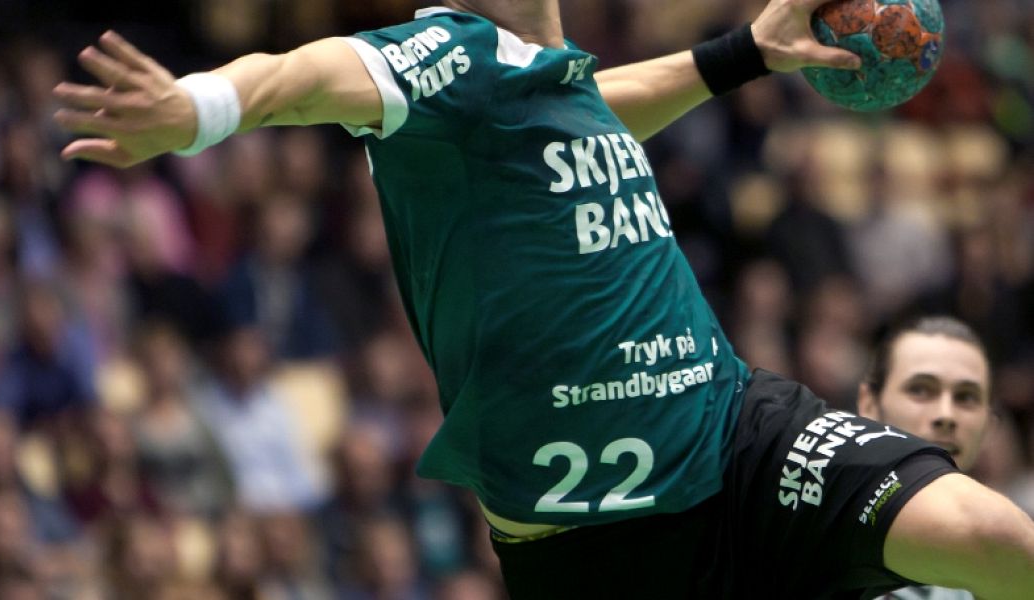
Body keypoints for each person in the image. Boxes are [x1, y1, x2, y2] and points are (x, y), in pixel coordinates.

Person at [53, 1, 1034, 597]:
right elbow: (302, 77)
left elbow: (604, 108)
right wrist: (198, 109)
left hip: (731, 434)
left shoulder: (548, 82)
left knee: (993, 539)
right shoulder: (448, 52)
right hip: (593, 547)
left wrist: (745, 52)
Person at [858, 316, 993, 600]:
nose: (946, 414)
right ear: (869, 404)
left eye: (966, 397)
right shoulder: (807, 543)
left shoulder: (1011, 562)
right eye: (920, 389)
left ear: (989, 423)